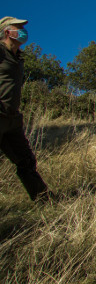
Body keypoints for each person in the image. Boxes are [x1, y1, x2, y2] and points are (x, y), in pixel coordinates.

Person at [0, 16, 53, 201]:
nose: (24, 32)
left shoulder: (18, 57)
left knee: (26, 160)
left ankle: (44, 200)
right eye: (19, 28)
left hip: (12, 118)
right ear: (7, 32)